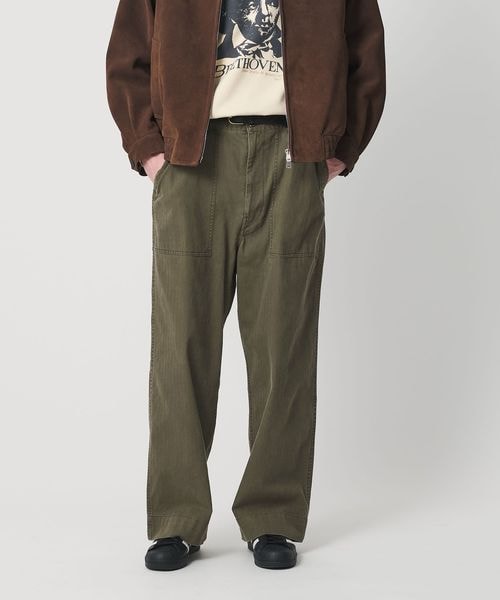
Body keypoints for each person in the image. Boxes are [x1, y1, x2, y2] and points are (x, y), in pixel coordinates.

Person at [105, 0, 385, 571]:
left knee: (284, 347)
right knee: (181, 348)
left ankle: (272, 516)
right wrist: (149, 148)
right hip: (192, 160)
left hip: (292, 157)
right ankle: (176, 519)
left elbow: (365, 50)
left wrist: (340, 146)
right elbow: (128, 53)